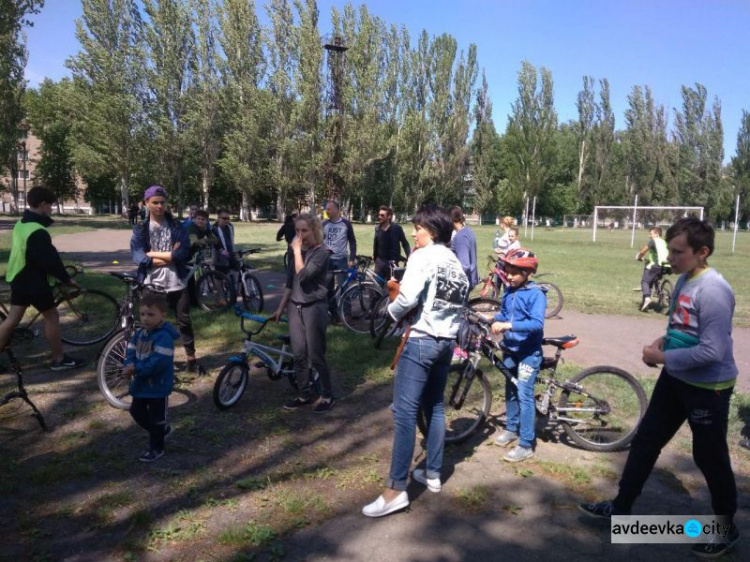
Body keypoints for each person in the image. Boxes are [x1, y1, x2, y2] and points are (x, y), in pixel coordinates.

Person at [579, 218, 741, 559]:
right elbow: (682, 328)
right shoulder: (685, 277)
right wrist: (661, 342)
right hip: (676, 380)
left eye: (679, 252)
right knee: (646, 440)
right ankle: (621, 508)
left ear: (702, 252)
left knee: (708, 456)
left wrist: (662, 356)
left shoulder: (714, 290)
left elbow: (713, 350)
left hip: (707, 387)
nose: (671, 258)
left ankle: (726, 530)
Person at [362, 205, 469, 518]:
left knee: (405, 413)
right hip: (446, 343)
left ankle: (395, 490)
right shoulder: (454, 262)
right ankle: (433, 472)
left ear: (432, 231)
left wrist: (388, 312)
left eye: (418, 229)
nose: (413, 234)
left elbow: (407, 299)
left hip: (421, 341)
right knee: (434, 406)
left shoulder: (422, 256)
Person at [0, 187, 85, 370]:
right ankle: (59, 359)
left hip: (19, 278)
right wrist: (65, 278)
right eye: (51, 206)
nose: (51, 209)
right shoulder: (37, 231)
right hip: (34, 282)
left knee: (11, 321)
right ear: (43, 204)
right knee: (52, 317)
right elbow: (48, 260)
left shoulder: (21, 224)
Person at [131, 185, 205, 374]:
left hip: (176, 281)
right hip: (151, 282)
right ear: (147, 203)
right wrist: (166, 256)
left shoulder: (176, 226)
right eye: (155, 202)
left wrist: (154, 255)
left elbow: (182, 253)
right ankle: (150, 360)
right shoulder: (141, 228)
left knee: (184, 320)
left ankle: (191, 360)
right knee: (150, 322)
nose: (159, 206)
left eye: (162, 202)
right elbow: (138, 255)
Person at [273, 213, 335, 413]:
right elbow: (291, 281)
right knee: (298, 354)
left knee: (315, 355)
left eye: (304, 231)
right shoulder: (295, 252)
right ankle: (304, 394)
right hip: (295, 307)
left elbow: (304, 275)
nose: (299, 235)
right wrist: (281, 306)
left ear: (314, 230)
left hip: (314, 308)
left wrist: (297, 251)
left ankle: (327, 395)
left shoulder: (321, 252)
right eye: (297, 231)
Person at [489, 248, 545, 463]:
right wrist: (488, 316)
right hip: (510, 350)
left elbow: (537, 323)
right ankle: (512, 429)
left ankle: (526, 444)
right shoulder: (509, 291)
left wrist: (508, 325)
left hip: (528, 352)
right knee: (510, 390)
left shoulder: (536, 294)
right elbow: (503, 314)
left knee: (524, 394)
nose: (509, 276)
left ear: (528, 273)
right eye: (508, 271)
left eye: (514, 273)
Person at [123, 292, 180, 463]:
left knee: (157, 418)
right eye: (142, 314)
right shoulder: (141, 333)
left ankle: (156, 448)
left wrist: (136, 369)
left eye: (151, 314)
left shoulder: (164, 337)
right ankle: (161, 431)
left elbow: (158, 363)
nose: (146, 318)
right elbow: (131, 350)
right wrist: (129, 364)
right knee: (136, 410)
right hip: (141, 383)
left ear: (163, 315)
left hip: (158, 386)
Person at [186, 209, 220, 307]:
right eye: (198, 219)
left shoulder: (205, 229)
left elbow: (215, 240)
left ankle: (193, 302)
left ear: (206, 221)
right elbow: (194, 241)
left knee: (191, 279)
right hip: (182, 253)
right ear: (194, 219)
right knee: (185, 279)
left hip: (190, 254)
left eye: (203, 219)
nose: (200, 221)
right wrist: (205, 241)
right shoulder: (191, 227)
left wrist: (204, 241)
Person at [372, 205, 410, 281]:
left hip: (392, 263)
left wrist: (409, 256)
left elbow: (405, 243)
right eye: (379, 215)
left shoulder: (397, 229)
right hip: (379, 263)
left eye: (382, 215)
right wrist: (374, 254)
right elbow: (376, 242)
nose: (379, 217)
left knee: (393, 288)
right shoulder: (377, 228)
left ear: (389, 216)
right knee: (375, 287)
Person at [636, 226, 669, 311]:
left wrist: (639, 256)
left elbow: (644, 250)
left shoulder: (653, 241)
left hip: (656, 265)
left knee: (645, 281)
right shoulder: (664, 242)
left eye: (651, 234)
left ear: (657, 234)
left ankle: (647, 298)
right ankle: (661, 297)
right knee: (653, 278)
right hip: (667, 266)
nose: (649, 236)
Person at [449, 206, 479, 289]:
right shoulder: (468, 231)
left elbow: (465, 265)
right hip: (472, 276)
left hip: (464, 281)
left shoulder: (460, 237)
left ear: (450, 219)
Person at [322, 200, 357, 272]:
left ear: (336, 210)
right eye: (326, 209)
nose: (326, 211)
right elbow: (318, 242)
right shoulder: (324, 224)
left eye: (329, 209)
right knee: (326, 283)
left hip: (341, 260)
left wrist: (351, 259)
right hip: (327, 260)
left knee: (342, 283)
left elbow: (352, 242)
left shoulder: (346, 224)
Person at [212, 209, 237, 275]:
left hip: (230, 254)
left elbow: (231, 240)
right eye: (224, 218)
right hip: (219, 257)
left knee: (232, 275)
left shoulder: (230, 226)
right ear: (218, 218)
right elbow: (215, 244)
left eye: (228, 218)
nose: (227, 220)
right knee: (219, 277)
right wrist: (222, 251)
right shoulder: (214, 228)